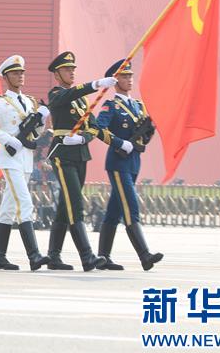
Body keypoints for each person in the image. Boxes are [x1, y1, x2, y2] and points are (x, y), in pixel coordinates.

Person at [0, 55, 51, 270]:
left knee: (8, 210)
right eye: (15, 73)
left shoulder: (29, 101)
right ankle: (34, 255)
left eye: (22, 72)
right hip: (10, 159)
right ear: (6, 76)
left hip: (26, 159)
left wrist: (42, 119)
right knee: (24, 204)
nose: (20, 76)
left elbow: (35, 132)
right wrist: (9, 140)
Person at [45, 52, 112, 271]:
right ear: (57, 74)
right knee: (75, 204)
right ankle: (87, 256)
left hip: (80, 154)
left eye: (73, 69)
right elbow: (69, 96)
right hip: (62, 155)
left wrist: (83, 137)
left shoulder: (82, 101)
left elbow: (93, 126)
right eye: (67, 69)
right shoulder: (56, 94)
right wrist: (95, 84)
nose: (71, 72)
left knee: (66, 207)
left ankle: (53, 257)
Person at [95, 59, 164, 271]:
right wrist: (120, 143)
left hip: (134, 162)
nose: (129, 79)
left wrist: (148, 132)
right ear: (116, 81)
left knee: (114, 211)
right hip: (117, 162)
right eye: (124, 76)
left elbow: (144, 138)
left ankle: (103, 257)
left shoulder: (139, 106)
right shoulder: (111, 105)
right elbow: (99, 128)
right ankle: (144, 255)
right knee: (131, 207)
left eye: (130, 75)